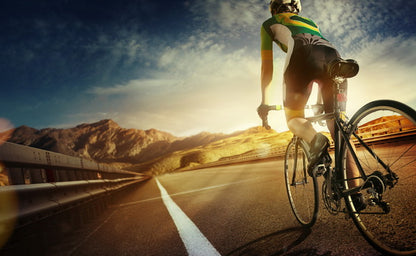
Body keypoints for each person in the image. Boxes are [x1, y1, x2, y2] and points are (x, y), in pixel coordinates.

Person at [257, 0, 365, 209]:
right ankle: (356, 193)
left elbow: (267, 69)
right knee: (338, 125)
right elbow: (320, 59)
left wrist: (264, 103)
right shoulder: (310, 22)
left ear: (274, 8)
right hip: (333, 55)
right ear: (296, 8)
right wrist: (319, 102)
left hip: (301, 54)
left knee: (294, 119)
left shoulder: (269, 23)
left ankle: (316, 141)